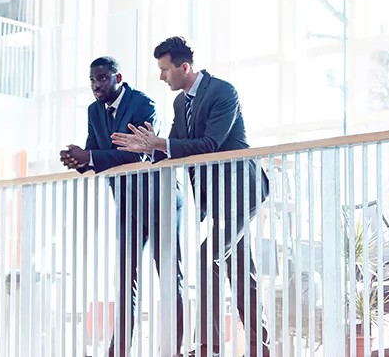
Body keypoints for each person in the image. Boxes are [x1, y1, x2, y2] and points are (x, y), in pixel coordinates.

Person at [112, 37, 272, 357]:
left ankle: (207, 348)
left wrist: (158, 144)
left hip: (242, 191)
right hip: (218, 201)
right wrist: (147, 150)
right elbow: (174, 147)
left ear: (184, 67)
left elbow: (210, 144)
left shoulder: (222, 92)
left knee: (208, 256)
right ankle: (261, 348)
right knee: (243, 273)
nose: (161, 76)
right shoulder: (179, 103)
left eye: (165, 69)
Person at [61, 56, 187, 357]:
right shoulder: (94, 111)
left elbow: (138, 153)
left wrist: (92, 156)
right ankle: (118, 350)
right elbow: (97, 155)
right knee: (125, 278)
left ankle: (173, 349)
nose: (96, 85)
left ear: (118, 78)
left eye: (102, 78)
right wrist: (79, 160)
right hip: (127, 202)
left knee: (169, 277)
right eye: (92, 80)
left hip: (159, 199)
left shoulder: (142, 104)